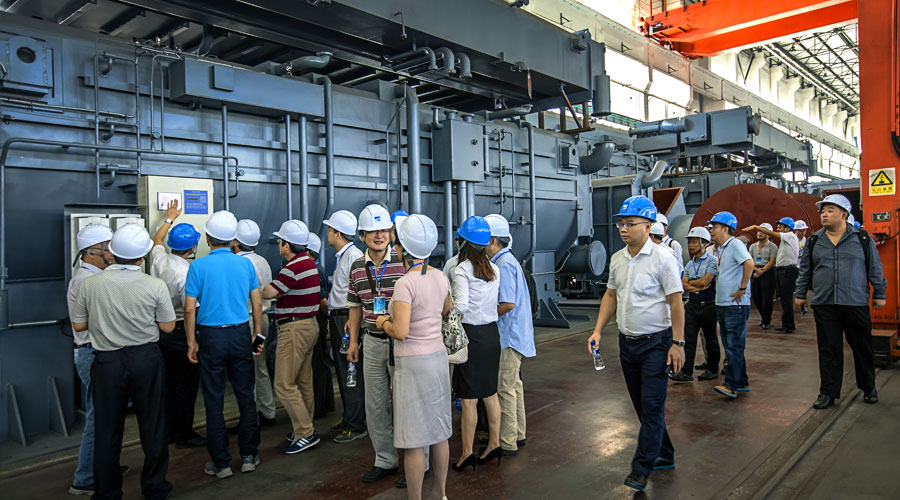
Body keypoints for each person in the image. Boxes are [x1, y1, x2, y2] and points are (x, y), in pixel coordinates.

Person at [586, 196, 685, 492]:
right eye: (621, 223)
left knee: (652, 407)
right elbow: (611, 295)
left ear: (648, 225)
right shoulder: (618, 259)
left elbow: (676, 302)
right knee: (642, 406)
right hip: (627, 343)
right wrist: (597, 330)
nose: (623, 228)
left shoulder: (663, 258)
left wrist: (678, 343)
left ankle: (641, 469)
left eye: (630, 223)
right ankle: (664, 453)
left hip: (657, 344)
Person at [71, 223, 176, 500]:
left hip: (107, 361)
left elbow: (79, 325)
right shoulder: (154, 285)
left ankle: (107, 492)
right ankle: (154, 487)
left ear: (113, 253)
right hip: (145, 359)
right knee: (152, 425)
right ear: (142, 258)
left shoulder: (90, 284)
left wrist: (106, 321)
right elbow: (167, 327)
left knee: (107, 429)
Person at [375, 214, 452, 500]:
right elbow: (447, 309)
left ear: (403, 249)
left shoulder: (405, 284)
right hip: (438, 358)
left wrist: (383, 322)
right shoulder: (440, 276)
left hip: (413, 365)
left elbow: (401, 331)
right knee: (439, 433)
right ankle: (440, 494)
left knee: (414, 440)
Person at [346, 204, 424, 486]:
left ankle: (420, 462)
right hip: (372, 342)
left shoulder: (404, 261)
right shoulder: (357, 267)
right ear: (362, 235)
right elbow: (355, 307)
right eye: (372, 231)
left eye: (383, 230)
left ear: (391, 233)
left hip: (402, 342)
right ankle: (385, 459)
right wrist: (353, 342)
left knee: (409, 404)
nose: (379, 236)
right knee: (375, 404)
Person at [184, 210, 264, 478]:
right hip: (240, 333)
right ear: (233, 240)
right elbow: (257, 304)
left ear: (208, 239)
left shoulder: (197, 267)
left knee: (214, 399)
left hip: (211, 337)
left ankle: (221, 464)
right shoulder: (245, 265)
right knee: (246, 396)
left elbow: (189, 309)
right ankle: (249, 456)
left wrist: (192, 341)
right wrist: (257, 334)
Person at [796, 194, 887, 410]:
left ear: (844, 214)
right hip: (825, 303)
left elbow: (874, 267)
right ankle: (828, 393)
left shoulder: (862, 238)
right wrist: (800, 294)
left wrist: (879, 293)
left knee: (862, 347)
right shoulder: (815, 240)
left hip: (854, 301)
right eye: (823, 211)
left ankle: (868, 387)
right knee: (829, 349)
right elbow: (806, 269)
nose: (824, 215)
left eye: (830, 210)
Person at [261, 220, 321, 454]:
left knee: (284, 384)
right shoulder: (308, 262)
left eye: (280, 241)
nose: (279, 245)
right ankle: (304, 427)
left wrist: (267, 288)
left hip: (294, 329)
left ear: (286, 245)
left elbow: (269, 292)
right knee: (303, 382)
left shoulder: (293, 267)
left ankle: (305, 432)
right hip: (309, 326)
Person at [149, 201, 205, 450]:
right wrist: (193, 340)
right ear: (193, 247)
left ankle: (169, 431)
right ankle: (184, 433)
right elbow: (191, 309)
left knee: (168, 382)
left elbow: (156, 240)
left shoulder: (159, 260)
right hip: (182, 330)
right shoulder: (186, 273)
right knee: (186, 385)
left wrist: (170, 218)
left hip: (160, 330)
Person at [451, 216, 504, 471]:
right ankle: (494, 444)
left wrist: (446, 311)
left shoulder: (462, 269)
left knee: (469, 399)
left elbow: (461, 306)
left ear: (463, 242)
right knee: (490, 394)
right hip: (491, 335)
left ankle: (467, 453)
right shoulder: (494, 269)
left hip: (471, 336)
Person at [67, 223, 114, 496]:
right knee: (97, 418)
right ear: (92, 251)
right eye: (108, 247)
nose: (112, 252)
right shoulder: (86, 281)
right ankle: (84, 478)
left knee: (105, 416)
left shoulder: (93, 277)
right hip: (91, 352)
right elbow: (90, 323)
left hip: (94, 352)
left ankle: (103, 466)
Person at [484, 213, 534, 456]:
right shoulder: (510, 260)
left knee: (504, 388)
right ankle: (518, 433)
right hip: (516, 334)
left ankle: (507, 442)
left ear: (493, 241)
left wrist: (484, 314)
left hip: (508, 336)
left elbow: (507, 303)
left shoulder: (503, 265)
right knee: (514, 385)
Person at [323, 209, 367, 443]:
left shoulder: (354, 257)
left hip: (347, 319)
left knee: (351, 371)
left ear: (338, 233)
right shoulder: (344, 256)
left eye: (330, 230)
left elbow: (359, 292)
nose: (327, 234)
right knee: (342, 371)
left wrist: (351, 321)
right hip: (339, 317)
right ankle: (349, 416)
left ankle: (356, 424)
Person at [231, 219, 277, 428]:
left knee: (245, 371)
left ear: (236, 241)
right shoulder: (263, 261)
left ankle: (249, 418)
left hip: (247, 323)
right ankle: (268, 411)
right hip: (263, 320)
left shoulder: (236, 264)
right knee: (261, 367)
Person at [710, 211, 754, 398]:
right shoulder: (722, 249)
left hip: (735, 305)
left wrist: (742, 288)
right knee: (731, 345)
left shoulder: (735, 244)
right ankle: (742, 381)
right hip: (725, 304)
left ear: (725, 229)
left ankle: (731, 384)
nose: (711, 230)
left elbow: (749, 263)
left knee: (734, 346)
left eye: (714, 227)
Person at [671, 226, 719, 382]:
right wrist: (696, 286)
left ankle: (712, 369)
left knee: (710, 339)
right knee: (689, 339)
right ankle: (686, 372)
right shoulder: (690, 264)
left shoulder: (712, 261)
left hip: (708, 305)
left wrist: (692, 283)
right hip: (692, 305)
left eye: (694, 242)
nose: (690, 245)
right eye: (689, 242)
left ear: (704, 243)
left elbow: (706, 281)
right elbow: (684, 284)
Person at [744, 217, 800, 333]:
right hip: (782, 271)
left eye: (780, 227)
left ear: (787, 228)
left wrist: (755, 227)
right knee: (783, 299)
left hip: (787, 271)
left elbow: (772, 235)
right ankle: (786, 323)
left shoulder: (789, 235)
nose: (778, 229)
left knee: (785, 299)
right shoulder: (785, 240)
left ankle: (788, 325)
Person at [306, 232, 336, 419]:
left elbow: (322, 301)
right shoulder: (320, 268)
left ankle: (320, 406)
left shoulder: (314, 271)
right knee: (322, 362)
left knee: (318, 363)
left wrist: (327, 319)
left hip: (318, 318)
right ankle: (327, 403)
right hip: (321, 318)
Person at [749, 223, 778, 329]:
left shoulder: (773, 246)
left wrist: (762, 270)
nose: (759, 233)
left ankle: (766, 320)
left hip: (768, 272)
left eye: (762, 231)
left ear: (768, 234)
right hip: (755, 271)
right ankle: (763, 316)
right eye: (758, 231)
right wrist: (756, 270)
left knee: (767, 298)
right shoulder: (753, 246)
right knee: (756, 296)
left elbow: (772, 261)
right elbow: (750, 260)